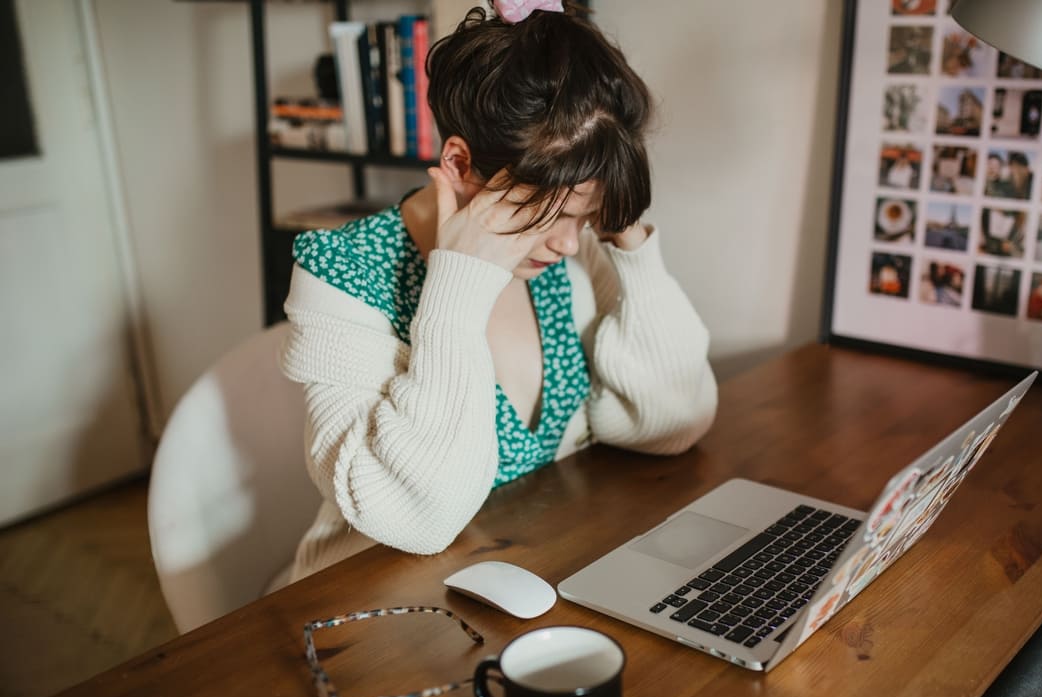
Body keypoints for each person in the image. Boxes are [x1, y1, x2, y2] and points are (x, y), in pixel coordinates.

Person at [273, 1, 718, 586]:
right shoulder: (342, 273)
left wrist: (625, 232)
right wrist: (457, 285)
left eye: (585, 217)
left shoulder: (572, 247)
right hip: (371, 601)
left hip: (537, 569)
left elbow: (673, 424)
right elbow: (419, 521)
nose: (566, 243)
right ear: (458, 163)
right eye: (548, 213)